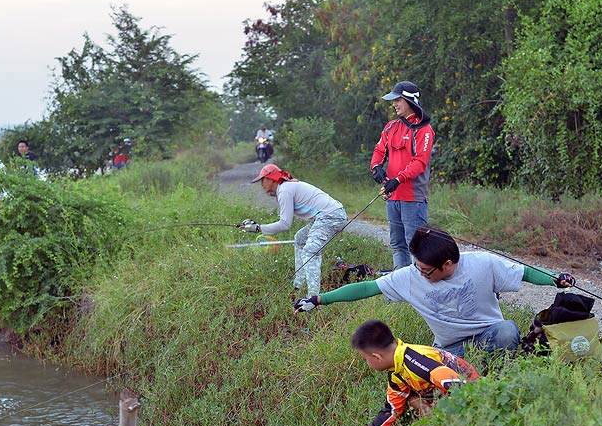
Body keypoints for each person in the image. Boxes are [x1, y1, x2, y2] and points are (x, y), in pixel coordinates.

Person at [294, 226, 576, 358]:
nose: (420, 274)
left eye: (427, 271)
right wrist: (319, 299)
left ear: (448, 264)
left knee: (507, 330)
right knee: (421, 367)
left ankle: (497, 375)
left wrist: (554, 279)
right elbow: (368, 287)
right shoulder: (409, 276)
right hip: (450, 349)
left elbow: (523, 272)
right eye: (417, 267)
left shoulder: (482, 264)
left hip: (490, 335)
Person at [337, 319, 479, 426]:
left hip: (471, 389)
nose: (367, 363)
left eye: (365, 359)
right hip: (447, 392)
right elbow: (391, 411)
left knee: (416, 400)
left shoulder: (416, 362)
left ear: (377, 357)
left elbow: (456, 383)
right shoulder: (397, 368)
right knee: (410, 399)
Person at [239, 163, 349, 296]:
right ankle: (299, 285)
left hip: (330, 216)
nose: (261, 186)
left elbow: (285, 224)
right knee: (300, 239)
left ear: (270, 179)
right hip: (330, 215)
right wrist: (258, 227)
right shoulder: (285, 188)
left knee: (310, 252)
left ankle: (313, 298)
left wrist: (258, 228)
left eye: (262, 181)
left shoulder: (284, 190)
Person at [371, 81, 435, 269]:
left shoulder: (424, 130)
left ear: (410, 101)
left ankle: (418, 291)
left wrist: (398, 179)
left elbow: (420, 162)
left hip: (413, 199)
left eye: (398, 100)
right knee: (397, 245)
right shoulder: (391, 127)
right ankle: (401, 291)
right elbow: (379, 150)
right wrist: (376, 167)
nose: (394, 104)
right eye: (394, 100)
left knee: (415, 246)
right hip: (392, 197)